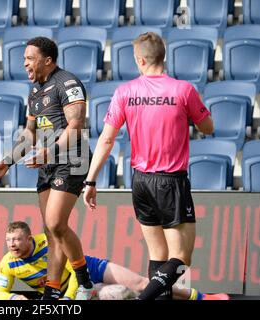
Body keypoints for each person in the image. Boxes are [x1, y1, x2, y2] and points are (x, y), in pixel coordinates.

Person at [83, 32, 215, 300]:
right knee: (180, 258)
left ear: (140, 60)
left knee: (158, 256)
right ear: (162, 58)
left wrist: (91, 180)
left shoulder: (125, 92)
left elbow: (107, 139)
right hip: (171, 181)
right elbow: (208, 127)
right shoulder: (183, 90)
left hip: (141, 181)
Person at [0, 37, 94, 299]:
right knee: (50, 229)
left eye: (30, 58)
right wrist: (8, 160)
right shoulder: (35, 91)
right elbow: (30, 132)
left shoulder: (67, 83)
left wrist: (50, 150)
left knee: (56, 222)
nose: (25, 62)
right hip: (49, 163)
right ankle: (53, 290)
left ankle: (84, 283)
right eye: (24, 58)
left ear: (47, 60)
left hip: (72, 159)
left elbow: (76, 126)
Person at [0, 221, 229, 300]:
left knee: (142, 285)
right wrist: (14, 297)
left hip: (88, 269)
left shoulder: (50, 243)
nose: (12, 245)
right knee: (118, 294)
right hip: (76, 290)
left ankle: (204, 297)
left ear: (29, 239)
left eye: (17, 240)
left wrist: (68, 298)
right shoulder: (7, 263)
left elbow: (76, 274)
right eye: (8, 241)